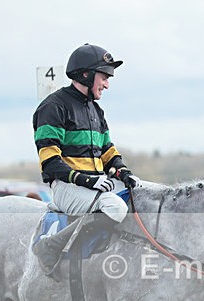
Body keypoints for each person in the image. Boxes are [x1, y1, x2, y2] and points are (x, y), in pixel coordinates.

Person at [31, 43, 140, 274]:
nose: (107, 84)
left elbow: (107, 150)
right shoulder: (53, 107)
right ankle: (51, 246)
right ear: (86, 75)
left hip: (94, 186)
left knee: (140, 195)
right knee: (114, 207)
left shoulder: (96, 110)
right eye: (104, 77)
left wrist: (123, 171)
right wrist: (87, 180)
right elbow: (50, 162)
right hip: (66, 188)